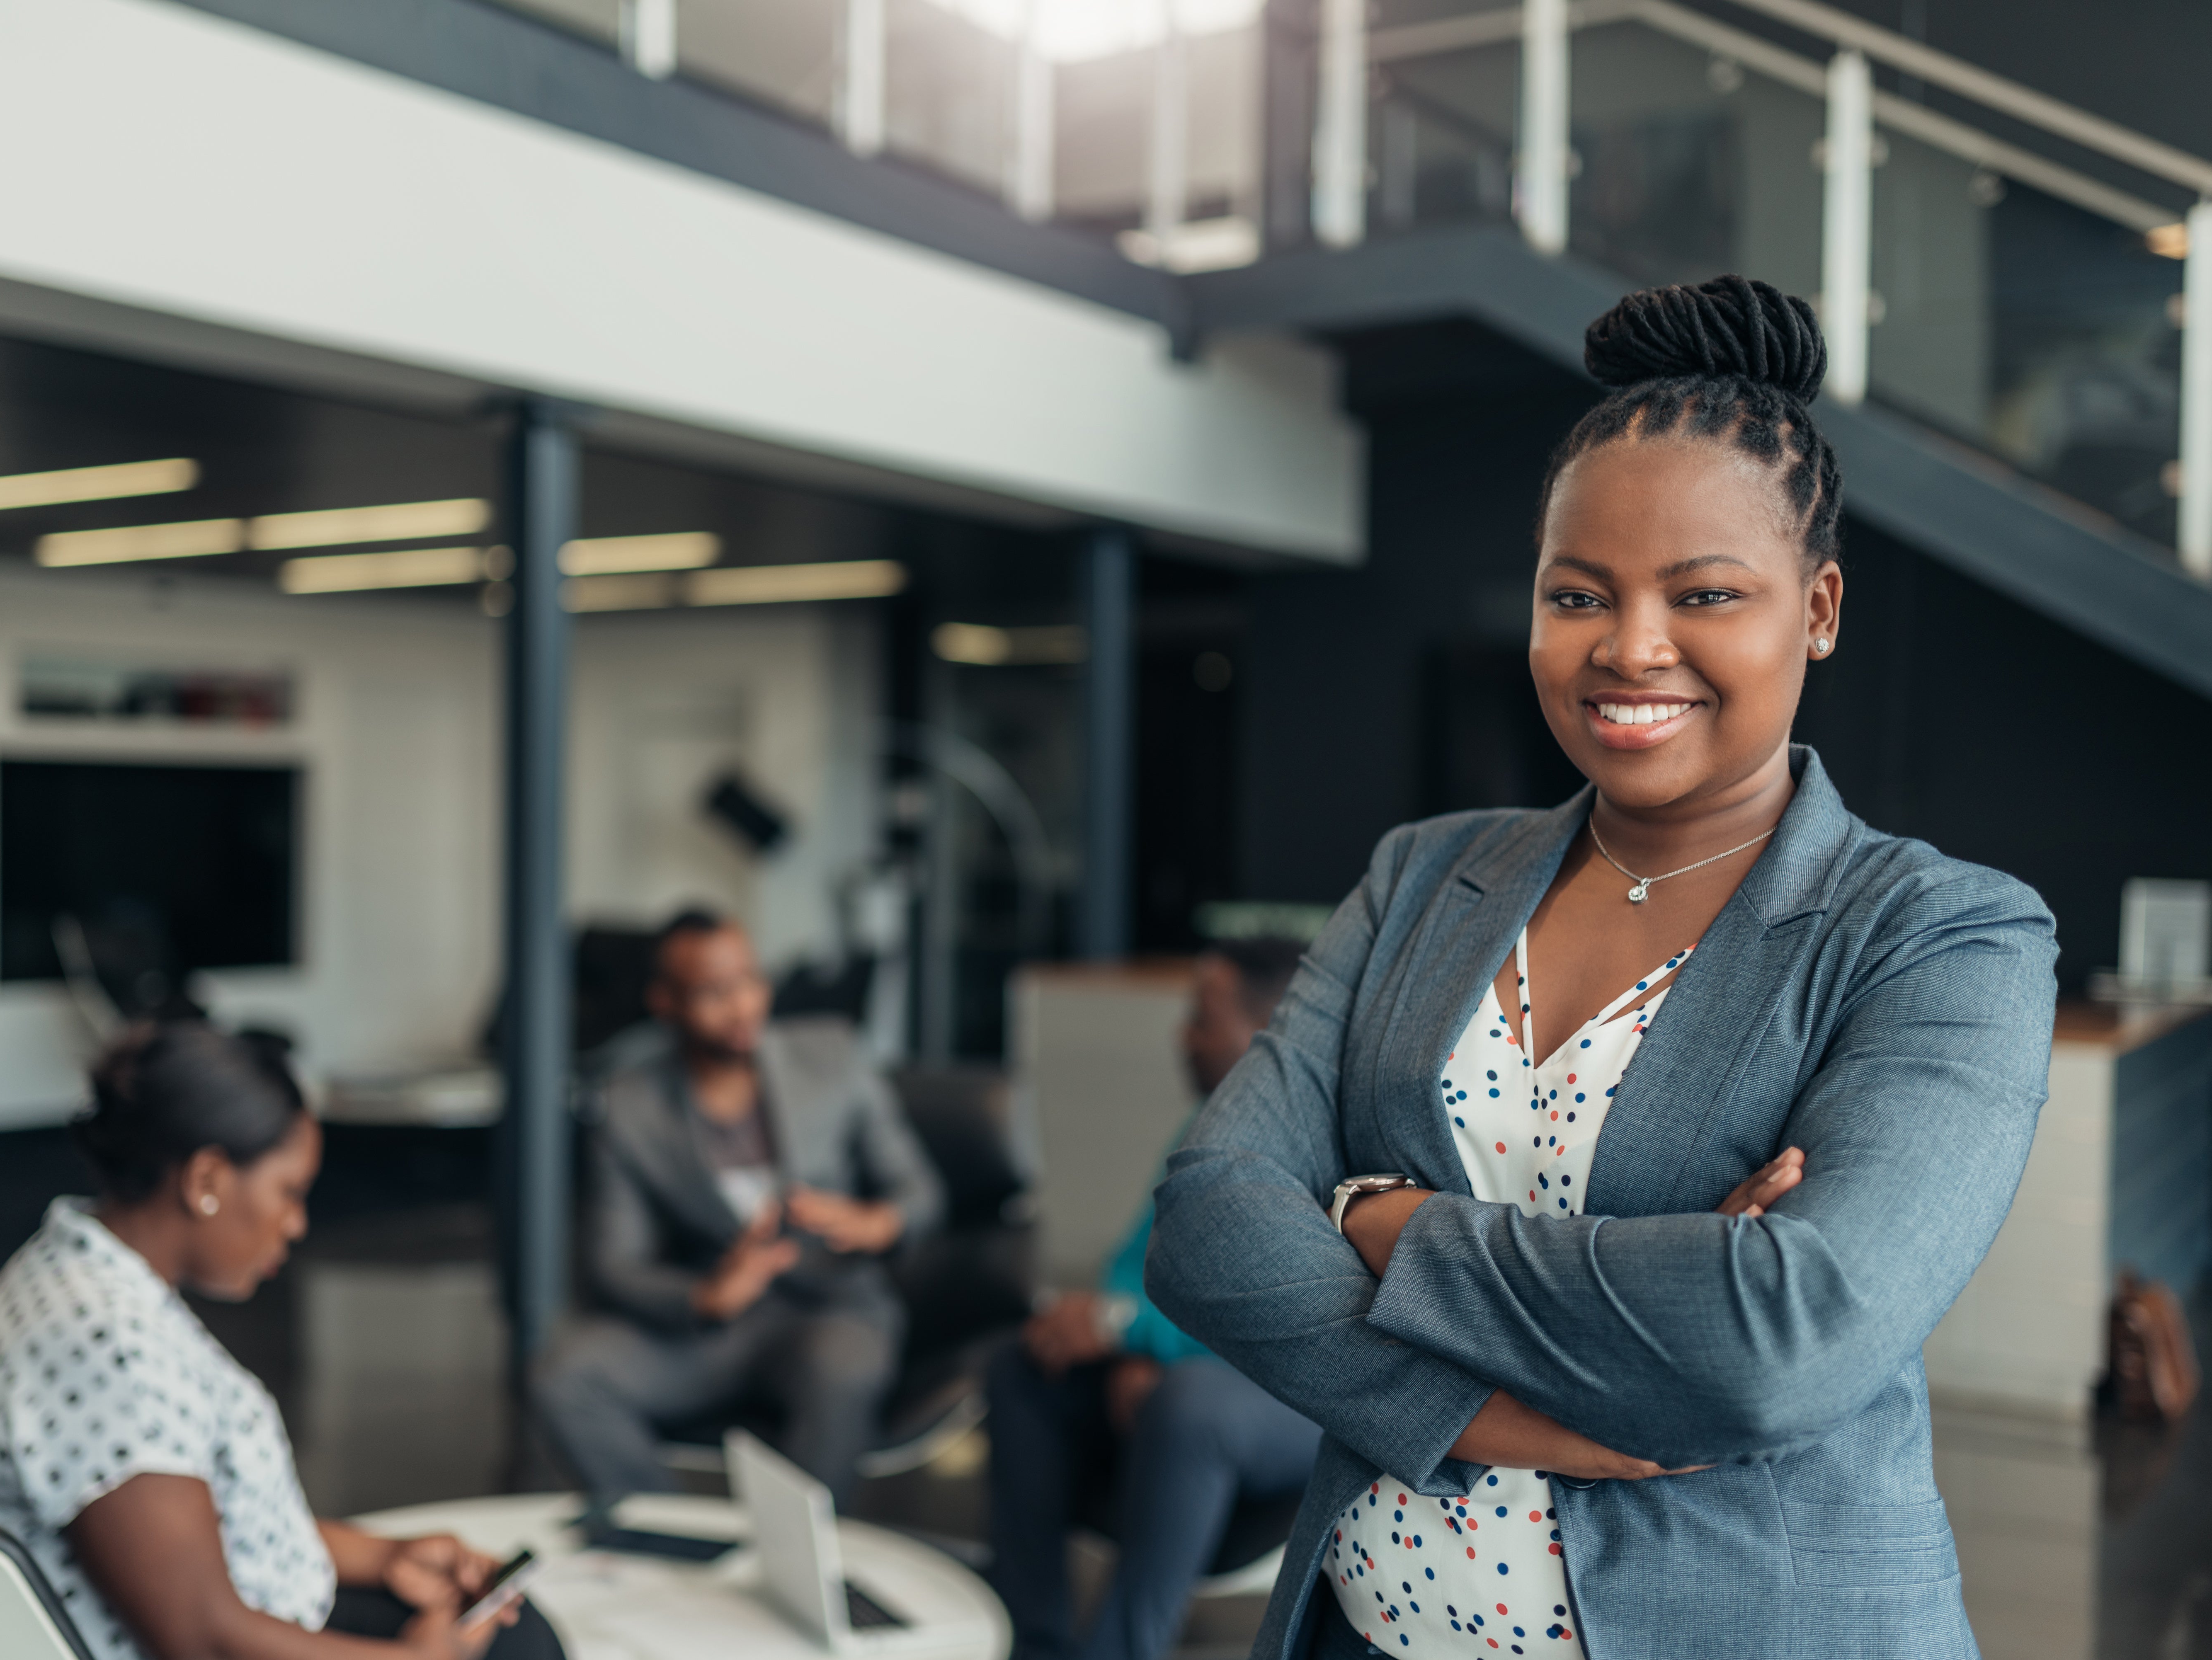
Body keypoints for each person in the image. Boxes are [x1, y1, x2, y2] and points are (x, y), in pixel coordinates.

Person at [1144, 276, 2059, 1660]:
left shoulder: (1941, 932)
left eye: (1703, 594)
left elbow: (1780, 1340)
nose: (1629, 647)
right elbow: (1206, 1222)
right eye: (1579, 593)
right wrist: (1488, 1405)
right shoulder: (1421, 874)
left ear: (1815, 607)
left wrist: (1381, 1225)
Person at [0, 1021, 544, 1660]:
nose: (297, 1223)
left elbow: (188, 1529)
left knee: (504, 1630)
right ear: (206, 1179)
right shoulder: (101, 1348)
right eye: (289, 1192)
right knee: (514, 1648)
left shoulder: (75, 1267)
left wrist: (385, 1556)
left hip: (245, 1609)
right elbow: (202, 1639)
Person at [531, 909, 944, 1503]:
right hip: (713, 1324)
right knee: (566, 1376)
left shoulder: (833, 1057)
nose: (742, 1005)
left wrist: (876, 1221)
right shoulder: (629, 1108)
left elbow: (920, 1191)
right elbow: (615, 1264)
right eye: (712, 991)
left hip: (833, 1309)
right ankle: (670, 1537)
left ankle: (805, 1562)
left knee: (841, 1372)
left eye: (750, 980)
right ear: (664, 1001)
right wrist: (705, 1296)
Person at [987, 938, 1323, 1660]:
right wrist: (1115, 1333)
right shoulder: (1204, 1127)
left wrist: (1136, 1335)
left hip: (1300, 1400)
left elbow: (1286, 1314)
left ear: (1270, 1033)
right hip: (1184, 1367)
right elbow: (1129, 1261)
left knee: (1192, 1403)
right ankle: (1035, 1640)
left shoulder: (1331, 1144)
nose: (1183, 1035)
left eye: (1201, 1017)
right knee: (1022, 1364)